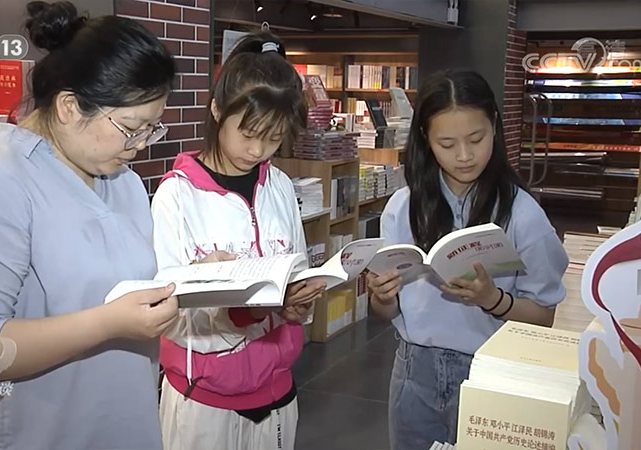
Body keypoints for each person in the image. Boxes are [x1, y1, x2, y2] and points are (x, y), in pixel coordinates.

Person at [0, 2, 205, 449]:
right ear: (70, 106)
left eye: (152, 129)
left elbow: (120, 288)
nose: (140, 145)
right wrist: (106, 325)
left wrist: (199, 281)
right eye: (132, 127)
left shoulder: (122, 181)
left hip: (122, 426)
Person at [367, 70, 569, 450]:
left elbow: (544, 317)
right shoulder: (403, 208)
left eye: (476, 139)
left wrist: (493, 299)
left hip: (492, 371)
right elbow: (386, 312)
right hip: (414, 370)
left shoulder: (522, 215)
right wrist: (381, 295)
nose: (463, 156)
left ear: (495, 126)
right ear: (426, 139)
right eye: (446, 143)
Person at [150, 31, 326, 450]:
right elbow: (166, 313)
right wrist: (240, 312)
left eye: (273, 138)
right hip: (204, 401)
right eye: (248, 134)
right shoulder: (177, 195)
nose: (258, 150)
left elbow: (294, 268)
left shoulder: (279, 186)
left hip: (279, 390)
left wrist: (297, 303)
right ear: (216, 110)